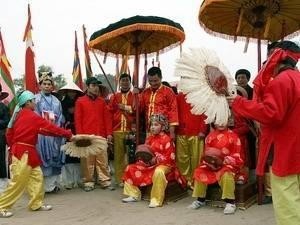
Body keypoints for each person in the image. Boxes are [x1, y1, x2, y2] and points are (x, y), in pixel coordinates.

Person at [229, 40, 300, 225]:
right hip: (296, 146)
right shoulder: (297, 78)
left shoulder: (281, 81)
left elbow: (271, 113)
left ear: (276, 57)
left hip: (285, 149)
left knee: (287, 200)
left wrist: (238, 103)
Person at [0, 90, 72, 218]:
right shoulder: (31, 116)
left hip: (27, 151)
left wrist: (13, 147)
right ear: (27, 103)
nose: (35, 102)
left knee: (37, 177)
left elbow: (10, 133)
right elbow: (49, 128)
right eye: (33, 100)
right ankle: (2, 206)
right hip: (23, 153)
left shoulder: (20, 115)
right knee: (18, 182)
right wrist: (68, 134)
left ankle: (36, 203)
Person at [122, 114, 185, 208]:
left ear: (163, 126)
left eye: (156, 125)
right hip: (149, 164)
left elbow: (170, 158)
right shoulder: (149, 138)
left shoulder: (167, 139)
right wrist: (143, 159)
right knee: (130, 168)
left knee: (159, 171)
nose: (153, 127)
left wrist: (155, 160)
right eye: (152, 125)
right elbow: (145, 152)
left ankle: (156, 199)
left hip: (165, 165)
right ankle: (134, 194)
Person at [188, 122, 243, 215]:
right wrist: (210, 163)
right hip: (212, 165)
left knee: (226, 174)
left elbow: (237, 155)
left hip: (227, 164)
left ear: (228, 121)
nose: (221, 123)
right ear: (214, 122)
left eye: (223, 120)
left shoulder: (234, 136)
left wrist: (226, 160)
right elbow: (206, 154)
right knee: (199, 171)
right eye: (218, 120)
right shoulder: (210, 137)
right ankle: (200, 199)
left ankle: (230, 202)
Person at [75, 77, 113, 192]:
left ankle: (104, 180)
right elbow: (78, 120)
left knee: (103, 159)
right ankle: (88, 181)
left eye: (97, 85)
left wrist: (109, 133)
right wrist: (80, 136)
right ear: (87, 87)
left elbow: (107, 119)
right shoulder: (80, 101)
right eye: (93, 85)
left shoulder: (102, 101)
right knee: (87, 160)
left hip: (101, 135)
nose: (96, 88)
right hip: (86, 136)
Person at [35, 72, 65, 193]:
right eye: (44, 84)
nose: (47, 86)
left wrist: (56, 129)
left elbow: (60, 117)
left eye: (49, 84)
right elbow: (34, 116)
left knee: (55, 157)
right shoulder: (35, 99)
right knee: (41, 158)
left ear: (52, 86)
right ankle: (39, 187)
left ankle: (51, 186)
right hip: (41, 134)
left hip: (54, 134)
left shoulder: (56, 101)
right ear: (40, 85)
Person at [136, 67, 179, 140]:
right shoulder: (145, 92)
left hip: (164, 131)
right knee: (149, 150)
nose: (153, 83)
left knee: (161, 150)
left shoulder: (168, 92)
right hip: (149, 130)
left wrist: (172, 132)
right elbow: (139, 109)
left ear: (161, 78)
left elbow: (173, 112)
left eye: (155, 81)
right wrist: (136, 96)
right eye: (150, 81)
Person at [108, 73, 135, 187]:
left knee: (130, 156)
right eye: (122, 80)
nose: (124, 82)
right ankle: (119, 179)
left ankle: (130, 177)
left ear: (130, 82)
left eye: (127, 80)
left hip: (130, 130)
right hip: (117, 130)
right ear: (119, 82)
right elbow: (109, 112)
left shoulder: (135, 96)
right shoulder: (114, 96)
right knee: (118, 156)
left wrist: (125, 107)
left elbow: (137, 110)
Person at [176, 92, 208, 187]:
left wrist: (203, 129)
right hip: (181, 131)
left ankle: (196, 182)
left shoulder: (201, 95)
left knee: (196, 158)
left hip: (197, 132)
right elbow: (174, 112)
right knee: (182, 158)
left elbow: (205, 113)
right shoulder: (179, 96)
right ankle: (184, 181)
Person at [59, 81, 83, 189]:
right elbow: (60, 117)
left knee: (79, 154)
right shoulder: (62, 103)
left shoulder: (80, 101)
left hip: (79, 129)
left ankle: (79, 180)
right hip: (68, 130)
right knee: (68, 154)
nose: (72, 93)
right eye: (70, 91)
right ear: (67, 92)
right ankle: (68, 181)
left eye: (74, 92)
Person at [0, 84, 10, 191]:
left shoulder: (4, 107)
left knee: (1, 160)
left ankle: (2, 186)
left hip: (0, 137)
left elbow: (7, 121)